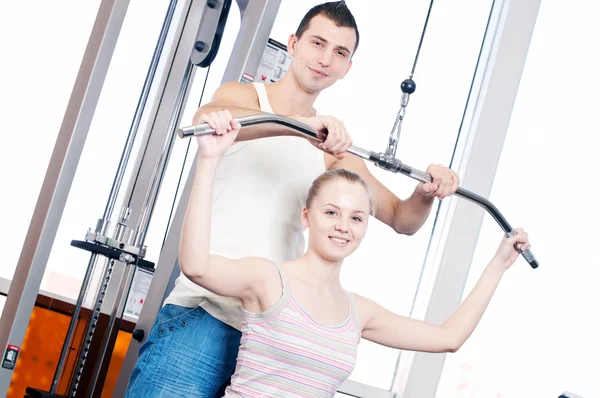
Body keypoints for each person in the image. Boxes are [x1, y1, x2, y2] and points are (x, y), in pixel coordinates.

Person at [125, 1, 460, 396]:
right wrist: (302, 126)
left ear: (347, 67)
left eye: (340, 53)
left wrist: (426, 192)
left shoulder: (332, 150)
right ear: (293, 43)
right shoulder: (246, 98)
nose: (325, 59)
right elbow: (206, 121)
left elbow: (403, 219)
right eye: (318, 43)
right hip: (204, 315)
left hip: (270, 337)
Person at [179, 123, 531, 397]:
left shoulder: (357, 313)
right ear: (306, 216)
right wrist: (209, 159)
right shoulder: (268, 280)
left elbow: (447, 338)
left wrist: (498, 264)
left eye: (356, 218)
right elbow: (196, 266)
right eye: (331, 212)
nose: (343, 227)